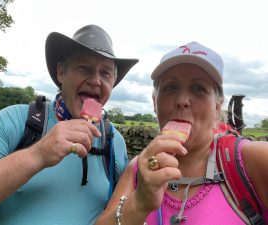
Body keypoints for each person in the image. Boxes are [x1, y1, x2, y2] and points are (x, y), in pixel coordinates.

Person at [0, 24, 138, 225]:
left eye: (106, 73)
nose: (96, 80)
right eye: (84, 68)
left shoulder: (113, 141)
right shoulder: (15, 120)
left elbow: (117, 212)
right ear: (61, 73)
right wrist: (37, 154)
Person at [94, 41, 268, 225]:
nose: (182, 100)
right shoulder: (139, 169)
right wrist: (139, 203)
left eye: (198, 88)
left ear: (217, 106)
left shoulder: (252, 160)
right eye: (170, 87)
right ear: (154, 102)